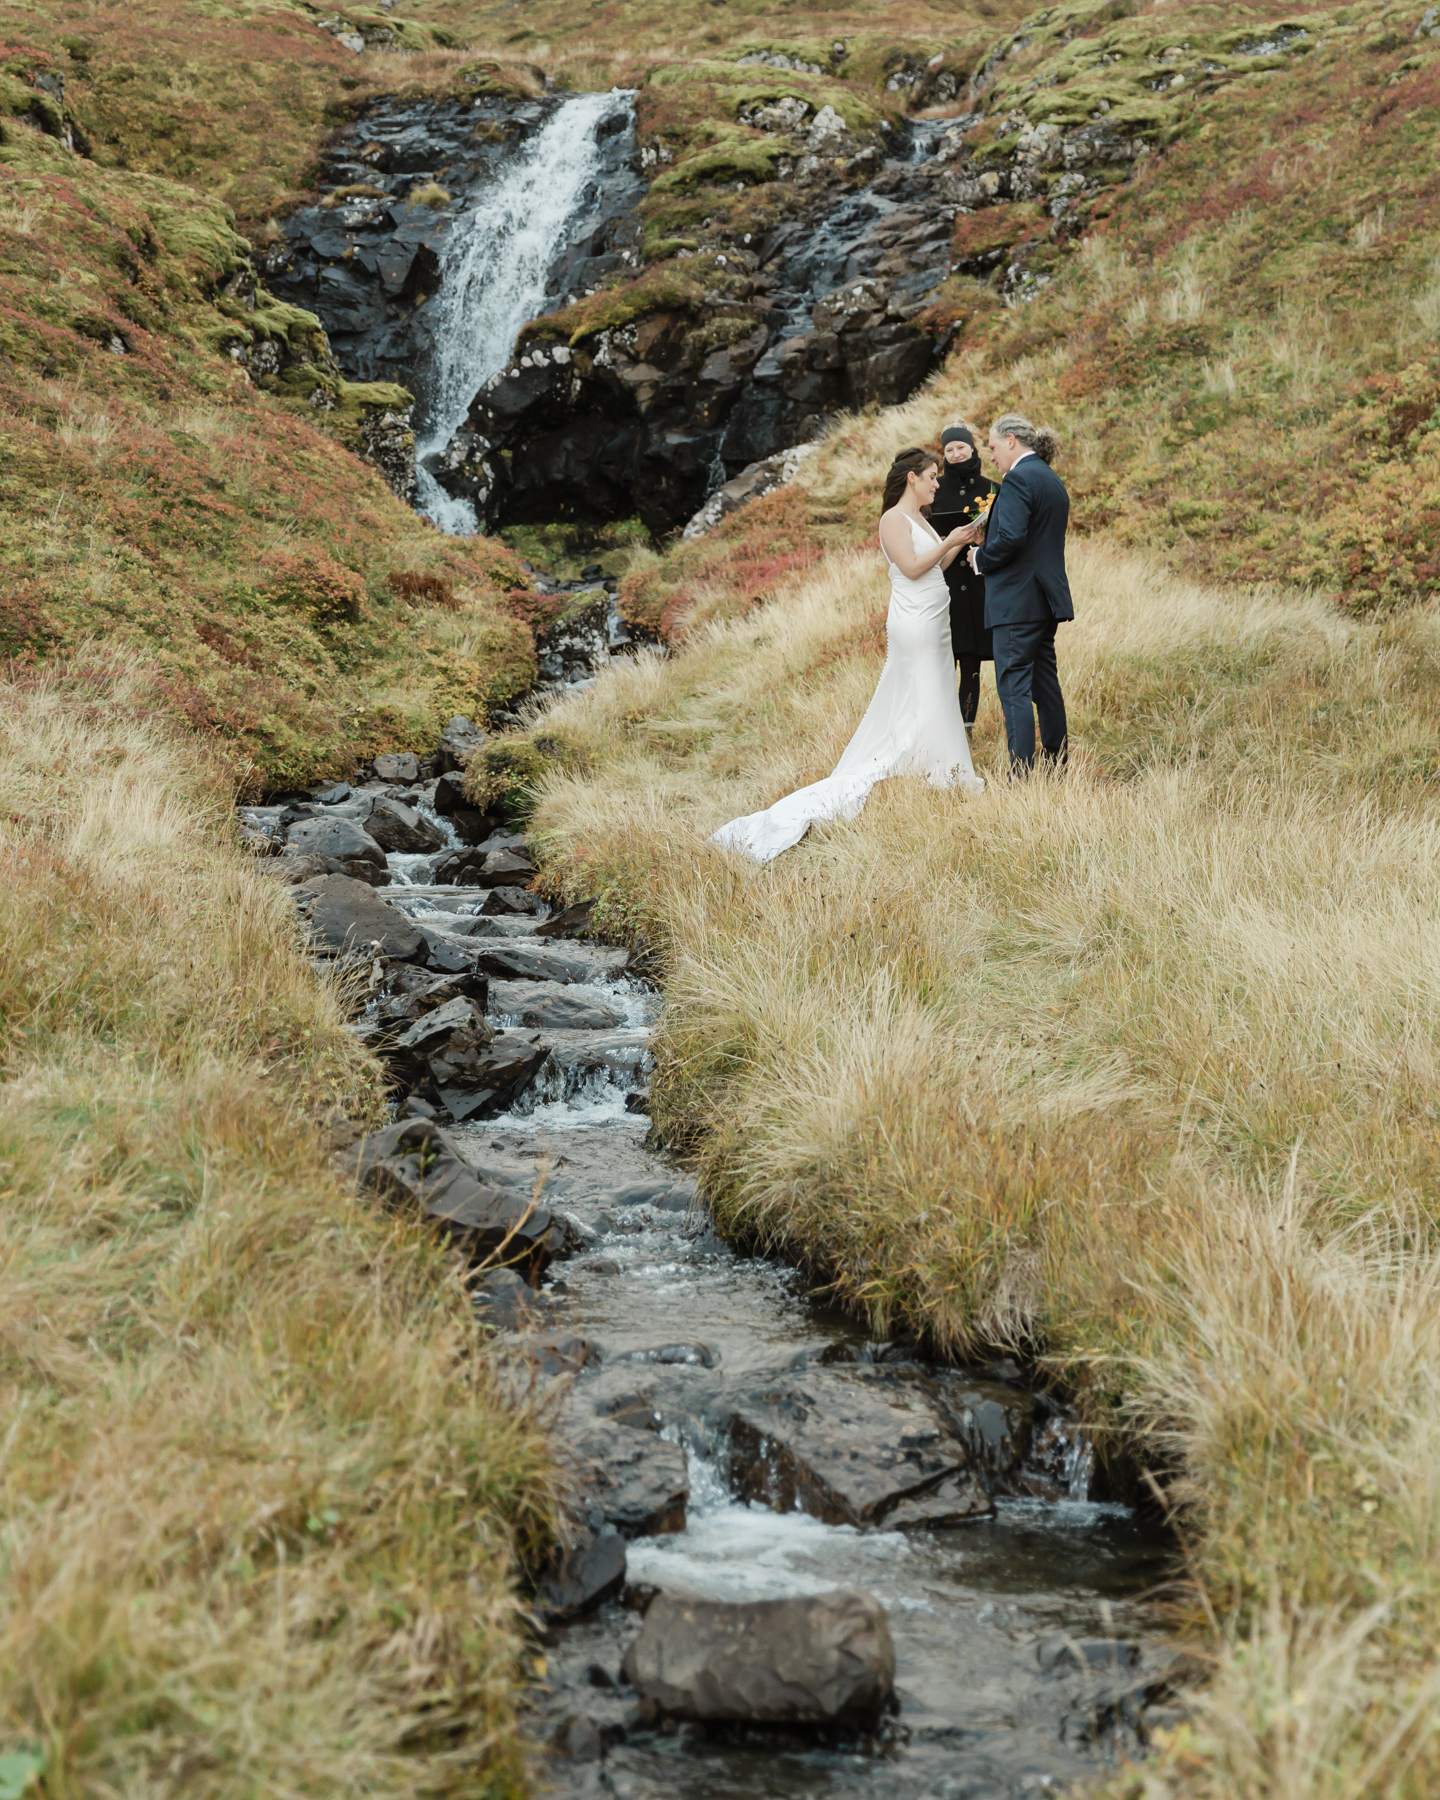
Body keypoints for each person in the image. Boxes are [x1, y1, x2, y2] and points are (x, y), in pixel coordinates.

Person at [710, 447, 983, 863]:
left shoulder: (920, 520)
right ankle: (930, 772)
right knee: (923, 693)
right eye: (930, 475)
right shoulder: (892, 519)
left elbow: (934, 566)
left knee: (936, 694)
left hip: (934, 619)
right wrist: (949, 539)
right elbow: (910, 568)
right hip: (915, 625)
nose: (936, 483)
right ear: (911, 478)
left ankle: (940, 770)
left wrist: (960, 541)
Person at [964, 412, 1073, 773]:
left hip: (1016, 603)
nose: (991, 456)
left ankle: (1021, 774)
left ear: (1011, 440)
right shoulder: (1050, 479)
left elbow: (1012, 539)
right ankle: (1056, 765)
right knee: (1045, 685)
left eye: (993, 447)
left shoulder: (1017, 480)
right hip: (1045, 601)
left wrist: (980, 556)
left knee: (1014, 690)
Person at [927, 424, 996, 729]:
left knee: (972, 661)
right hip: (943, 588)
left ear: (973, 448)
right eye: (949, 449)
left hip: (981, 587)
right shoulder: (934, 492)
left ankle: (965, 731)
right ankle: (940, 729)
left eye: (961, 447)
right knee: (942, 660)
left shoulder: (993, 489)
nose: (955, 454)